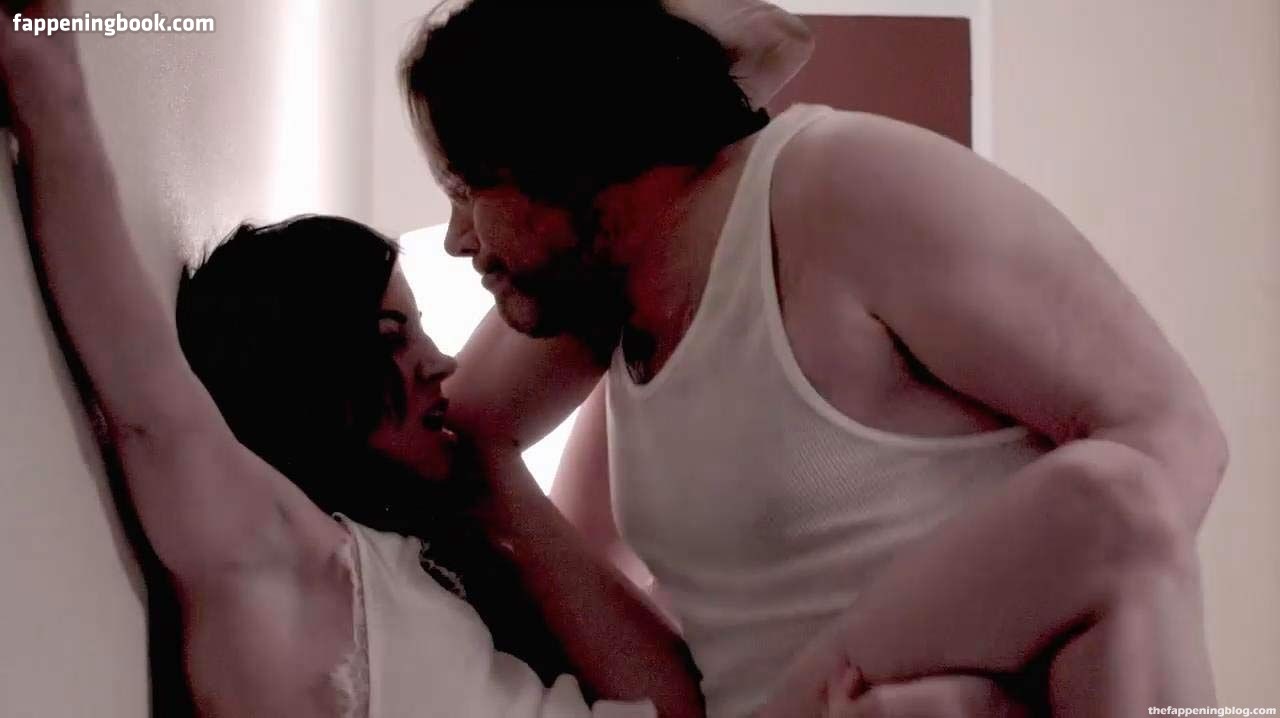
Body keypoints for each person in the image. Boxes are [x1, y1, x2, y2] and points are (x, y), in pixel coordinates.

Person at [401, 1, 1229, 715]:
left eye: (468, 190)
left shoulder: (842, 186)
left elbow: (1170, 435)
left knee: (1105, 496)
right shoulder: (607, 294)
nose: (457, 239)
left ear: (572, 162)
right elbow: (461, 430)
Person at [0, 3, 703, 716]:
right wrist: (50, 90)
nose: (443, 363)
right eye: (393, 337)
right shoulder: (280, 559)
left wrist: (485, 472)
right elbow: (147, 398)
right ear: (310, 371)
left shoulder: (417, 567)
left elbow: (675, 704)